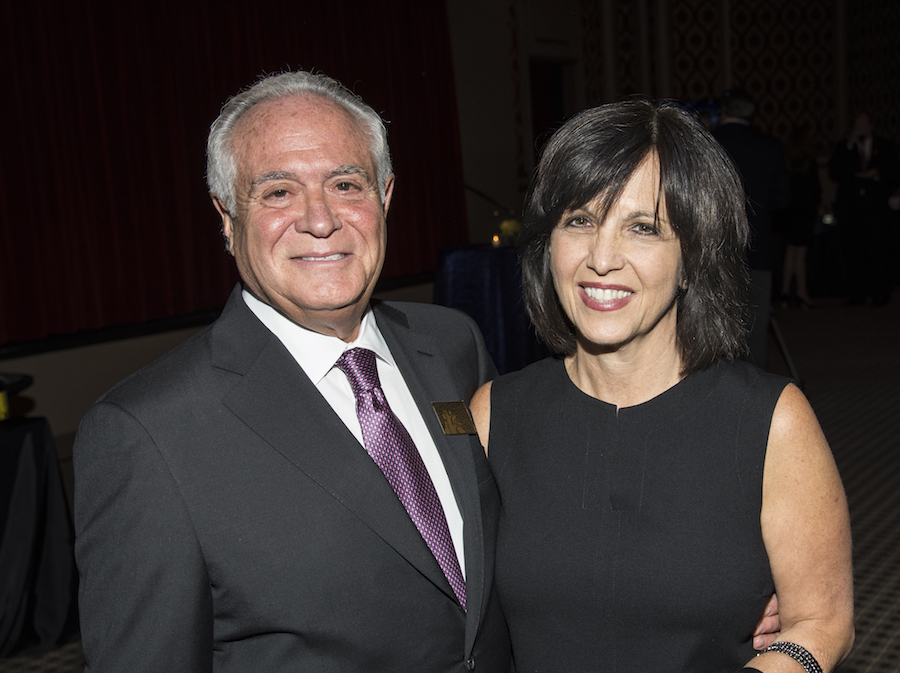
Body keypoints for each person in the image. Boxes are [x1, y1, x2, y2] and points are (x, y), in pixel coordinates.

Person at [73, 71, 510, 672]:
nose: (321, 219)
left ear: (384, 197)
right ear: (226, 218)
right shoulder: (147, 434)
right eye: (277, 192)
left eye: (345, 183)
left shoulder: (452, 344)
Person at [470, 100, 854, 672]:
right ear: (548, 243)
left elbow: (822, 627)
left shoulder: (771, 421)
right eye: (579, 220)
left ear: (693, 257)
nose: (602, 258)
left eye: (643, 228)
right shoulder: (495, 413)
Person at [713, 88, 791, 367]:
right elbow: (782, 198)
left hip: (713, 247)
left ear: (723, 110)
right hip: (757, 245)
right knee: (756, 325)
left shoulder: (708, 143)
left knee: (713, 320)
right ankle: (753, 395)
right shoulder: (769, 146)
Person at [828, 112, 899, 306]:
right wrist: (850, 144)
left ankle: (879, 293)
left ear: (871, 126)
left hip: (876, 207)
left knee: (878, 250)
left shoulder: (884, 145)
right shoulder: (845, 146)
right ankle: (856, 293)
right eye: (857, 125)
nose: (861, 129)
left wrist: (878, 174)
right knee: (854, 251)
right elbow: (834, 170)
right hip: (852, 208)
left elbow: (894, 171)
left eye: (864, 124)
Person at [777, 127, 822, 309]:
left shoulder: (785, 163)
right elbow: (815, 191)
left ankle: (786, 293)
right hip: (803, 212)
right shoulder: (809, 164)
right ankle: (801, 293)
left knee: (790, 253)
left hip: (790, 212)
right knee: (800, 254)